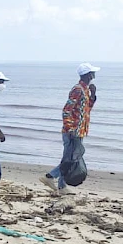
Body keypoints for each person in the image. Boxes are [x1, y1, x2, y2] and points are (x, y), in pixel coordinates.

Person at [40, 63, 99, 194]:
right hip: (73, 132)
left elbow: (86, 108)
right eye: (92, 73)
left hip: (79, 131)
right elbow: (67, 110)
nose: (94, 75)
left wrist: (93, 94)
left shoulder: (85, 90)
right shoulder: (77, 89)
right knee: (69, 159)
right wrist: (70, 128)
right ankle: (49, 177)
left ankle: (61, 186)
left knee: (69, 158)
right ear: (88, 75)